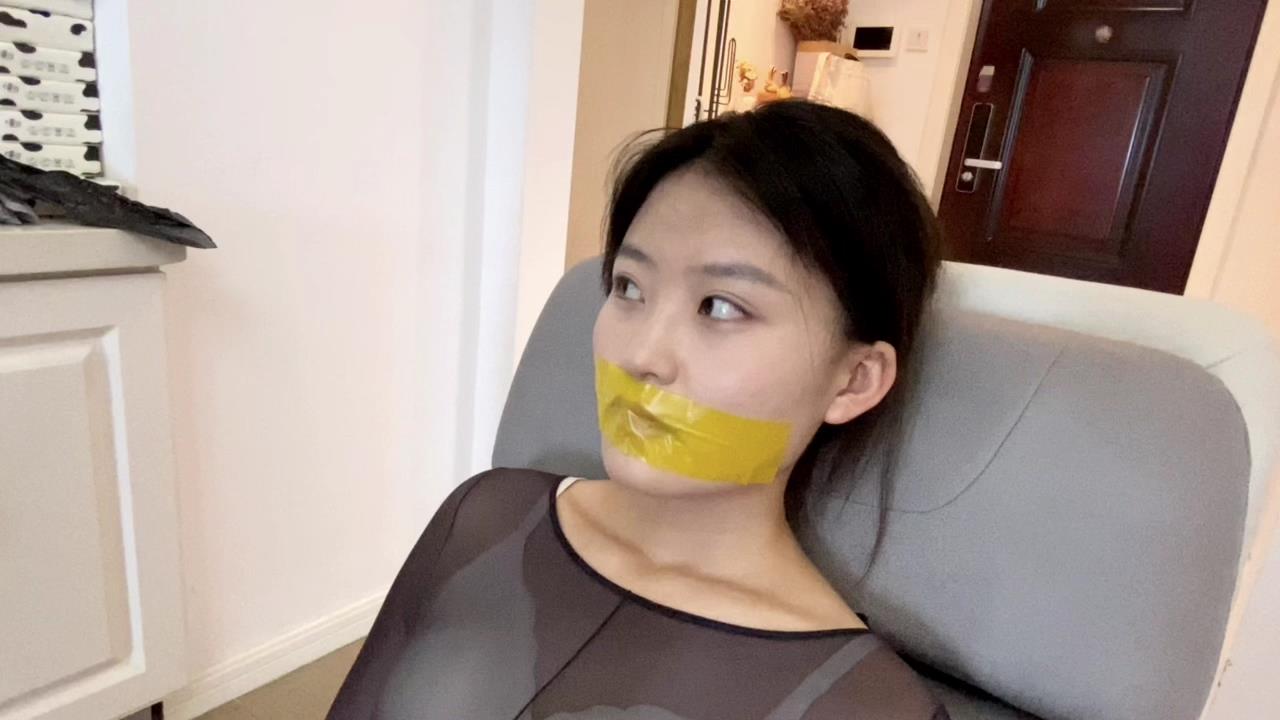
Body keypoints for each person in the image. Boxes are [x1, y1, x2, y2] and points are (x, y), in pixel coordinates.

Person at [328, 100, 948, 719]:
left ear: (853, 382)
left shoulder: (872, 705)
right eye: (629, 287)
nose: (641, 354)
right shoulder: (482, 516)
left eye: (721, 306)